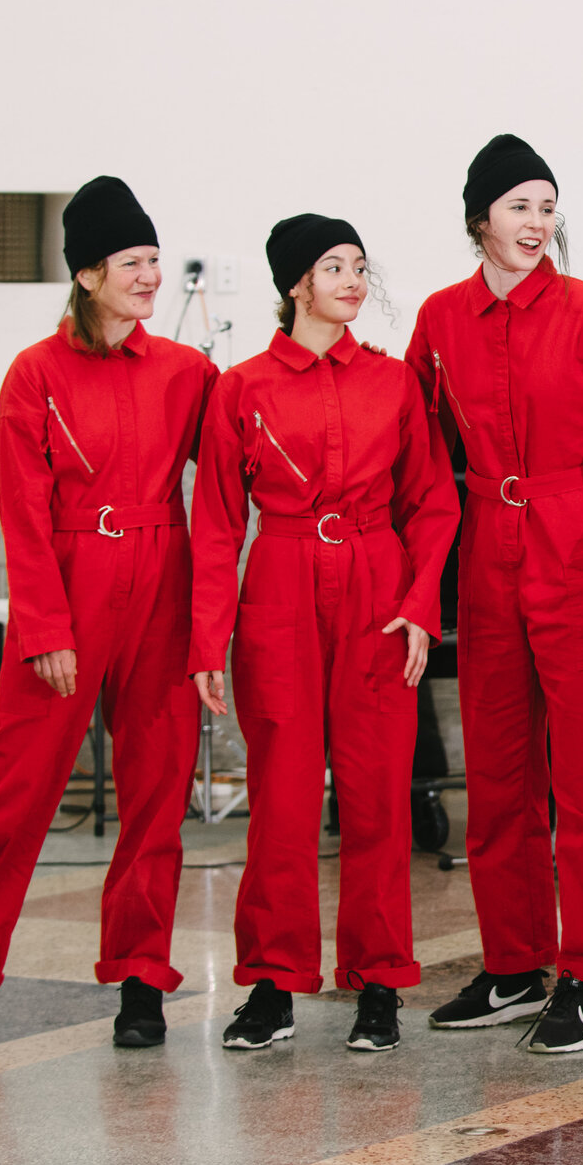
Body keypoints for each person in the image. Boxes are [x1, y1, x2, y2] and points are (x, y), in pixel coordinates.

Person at [0, 178, 216, 1051]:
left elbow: (233, 473)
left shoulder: (187, 371)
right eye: (132, 262)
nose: (150, 276)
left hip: (161, 578)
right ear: (87, 273)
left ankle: (141, 980)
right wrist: (43, 628)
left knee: (156, 795)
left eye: (155, 259)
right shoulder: (35, 375)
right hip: (71, 587)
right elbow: (23, 510)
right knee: (12, 795)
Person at [409, 135, 583, 1052]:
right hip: (488, 550)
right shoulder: (440, 319)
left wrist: (580, 485)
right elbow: (422, 446)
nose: (538, 224)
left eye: (548, 208)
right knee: (499, 767)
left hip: (581, 540)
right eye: (520, 206)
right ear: (480, 218)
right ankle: (512, 963)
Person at [190, 215, 455, 1052]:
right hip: (282, 585)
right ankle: (271, 984)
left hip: (376, 586)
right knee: (283, 796)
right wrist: (207, 641)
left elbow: (434, 502)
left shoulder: (394, 383)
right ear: (295, 284)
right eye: (333, 267)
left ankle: (379, 983)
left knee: (379, 794)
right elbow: (216, 525)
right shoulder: (241, 389)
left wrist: (419, 602)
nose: (351, 280)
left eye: (358, 266)